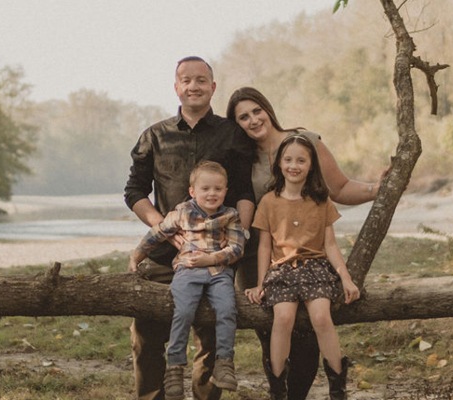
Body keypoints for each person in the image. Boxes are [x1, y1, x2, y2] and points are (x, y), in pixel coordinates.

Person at [227, 86, 382, 399]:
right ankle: (279, 392)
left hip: (310, 257)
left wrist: (379, 188)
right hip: (263, 256)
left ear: (267, 109)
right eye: (243, 117)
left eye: (257, 111)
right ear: (237, 124)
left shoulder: (306, 140)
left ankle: (303, 392)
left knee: (310, 333)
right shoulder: (243, 159)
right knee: (272, 328)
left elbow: (339, 187)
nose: (253, 120)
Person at [124, 56, 255, 400]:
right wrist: (165, 228)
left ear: (213, 87)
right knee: (146, 337)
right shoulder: (154, 135)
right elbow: (135, 192)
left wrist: (238, 235)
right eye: (186, 80)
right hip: (165, 254)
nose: (193, 86)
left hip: (215, 255)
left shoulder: (232, 135)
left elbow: (244, 192)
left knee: (210, 339)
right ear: (176, 87)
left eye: (201, 80)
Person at [245, 133, 362, 400]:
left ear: (311, 165)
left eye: (301, 160)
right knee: (283, 319)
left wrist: (346, 278)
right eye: (288, 160)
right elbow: (264, 247)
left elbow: (330, 245)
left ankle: (337, 387)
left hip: (315, 268)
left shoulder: (321, 200)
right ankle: (278, 389)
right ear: (279, 164)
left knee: (321, 317)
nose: (293, 165)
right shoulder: (269, 201)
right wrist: (261, 283)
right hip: (282, 272)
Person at [128, 161, 246, 400]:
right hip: (187, 271)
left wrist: (211, 258)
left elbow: (237, 248)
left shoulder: (231, 215)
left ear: (225, 190)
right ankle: (174, 367)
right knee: (183, 311)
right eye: (206, 189)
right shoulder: (182, 212)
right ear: (193, 191)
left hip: (218, 272)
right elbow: (157, 233)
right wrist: (137, 255)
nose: (212, 193)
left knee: (226, 309)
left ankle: (225, 362)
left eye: (218, 189)